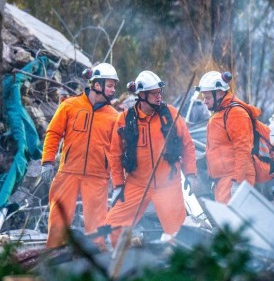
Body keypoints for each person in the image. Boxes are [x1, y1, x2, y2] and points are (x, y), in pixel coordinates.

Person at [105, 70, 198, 244]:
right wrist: (118, 184)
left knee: (178, 234)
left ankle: (176, 265)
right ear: (141, 95)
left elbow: (188, 146)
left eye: (159, 92)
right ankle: (117, 263)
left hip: (168, 184)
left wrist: (191, 174)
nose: (159, 97)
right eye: (154, 93)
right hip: (137, 184)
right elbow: (115, 154)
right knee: (113, 225)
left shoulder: (170, 114)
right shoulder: (125, 119)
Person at [40, 63, 120, 249]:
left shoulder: (114, 117)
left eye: (114, 86)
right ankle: (53, 258)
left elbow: (118, 152)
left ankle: (95, 264)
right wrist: (47, 162)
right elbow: (53, 133)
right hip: (67, 172)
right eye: (110, 85)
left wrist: (118, 183)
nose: (113, 89)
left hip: (97, 176)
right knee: (58, 221)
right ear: (97, 85)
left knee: (97, 227)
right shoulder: (70, 106)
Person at [197, 70, 262, 203]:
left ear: (220, 93)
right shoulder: (221, 113)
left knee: (231, 222)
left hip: (234, 178)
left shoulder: (235, 114)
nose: (204, 102)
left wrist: (237, 182)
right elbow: (221, 146)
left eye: (208, 98)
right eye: (204, 98)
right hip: (224, 179)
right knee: (225, 221)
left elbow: (243, 149)